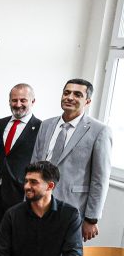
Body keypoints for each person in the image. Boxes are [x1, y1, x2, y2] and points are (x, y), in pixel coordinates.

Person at [31, 78, 112, 242]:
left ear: (87, 101)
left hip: (72, 208)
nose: (69, 97)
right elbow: (34, 164)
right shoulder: (46, 125)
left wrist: (91, 218)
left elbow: (100, 179)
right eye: (66, 93)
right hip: (38, 203)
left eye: (77, 94)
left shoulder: (99, 131)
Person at [0, 84, 42, 256]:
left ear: (33, 101)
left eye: (23, 100)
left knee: (13, 245)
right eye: (14, 100)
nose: (18, 104)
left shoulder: (41, 128)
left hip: (19, 195)